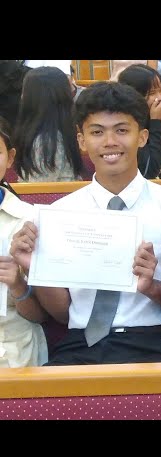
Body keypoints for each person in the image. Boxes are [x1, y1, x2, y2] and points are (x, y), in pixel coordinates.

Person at [10, 81, 161, 365]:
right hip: (79, 343)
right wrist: (33, 266)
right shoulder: (60, 215)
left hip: (152, 340)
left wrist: (153, 285)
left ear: (143, 136)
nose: (110, 142)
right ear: (82, 141)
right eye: (97, 132)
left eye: (122, 130)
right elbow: (62, 314)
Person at [0, 116, 49, 367]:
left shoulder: (29, 221)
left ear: (9, 158)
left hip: (13, 350)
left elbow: (42, 316)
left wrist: (18, 284)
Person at [13, 66, 84, 182]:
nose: (21, 97)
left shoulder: (49, 140)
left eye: (24, 91)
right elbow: (41, 192)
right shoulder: (46, 140)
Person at [117, 63, 161, 179]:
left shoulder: (153, 115)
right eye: (151, 93)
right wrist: (157, 122)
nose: (160, 97)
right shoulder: (123, 125)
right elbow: (149, 170)